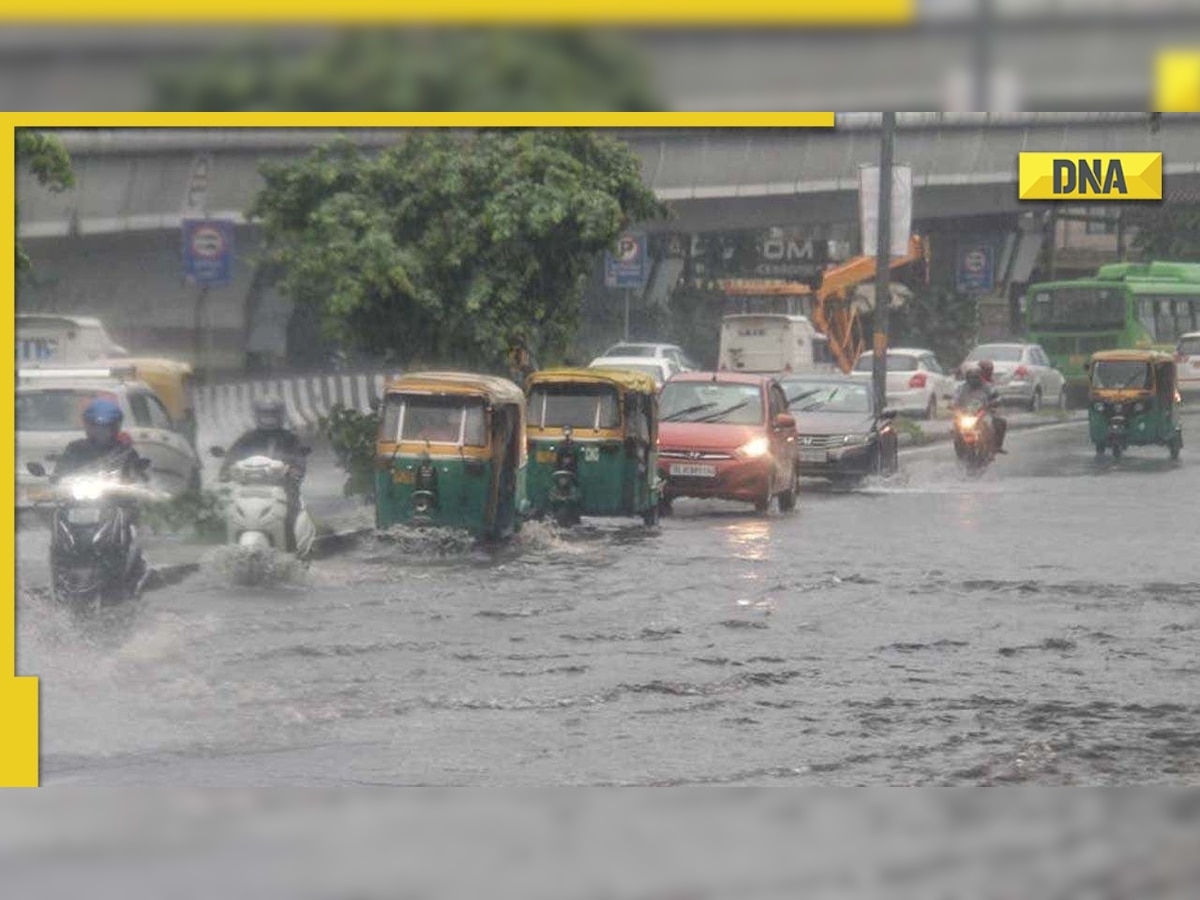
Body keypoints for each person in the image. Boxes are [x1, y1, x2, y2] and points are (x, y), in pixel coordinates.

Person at [220, 396, 308, 548]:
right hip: (248, 489)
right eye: (265, 413)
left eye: (272, 413)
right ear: (257, 414)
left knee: (292, 516)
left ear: (280, 414)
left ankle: (293, 552)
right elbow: (232, 456)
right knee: (226, 513)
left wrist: (294, 470)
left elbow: (298, 458)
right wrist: (225, 470)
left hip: (283, 488)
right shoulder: (248, 438)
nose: (269, 418)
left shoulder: (290, 439)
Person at [54, 397, 148, 483]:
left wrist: (133, 479)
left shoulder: (126, 452)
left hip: (118, 498)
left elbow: (141, 480)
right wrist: (59, 478)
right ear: (88, 425)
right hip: (80, 496)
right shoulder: (75, 449)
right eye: (97, 427)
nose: (102, 432)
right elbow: (61, 474)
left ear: (116, 426)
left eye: (107, 427)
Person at [953, 366, 1006, 454]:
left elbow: (997, 397)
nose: (973, 380)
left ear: (980, 377)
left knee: (1000, 422)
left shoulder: (988, 387)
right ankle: (959, 447)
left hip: (984, 413)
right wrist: (954, 405)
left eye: (976, 377)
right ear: (967, 378)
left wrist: (994, 402)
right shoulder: (961, 388)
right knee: (956, 426)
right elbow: (955, 399)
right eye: (971, 377)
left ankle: (997, 446)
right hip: (966, 414)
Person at [976, 359, 1008, 453]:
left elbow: (996, 395)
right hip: (970, 409)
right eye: (985, 370)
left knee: (1001, 422)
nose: (987, 372)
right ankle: (959, 442)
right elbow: (960, 392)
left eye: (989, 370)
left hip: (985, 409)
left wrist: (996, 402)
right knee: (957, 424)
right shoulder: (970, 381)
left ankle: (997, 445)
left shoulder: (990, 383)